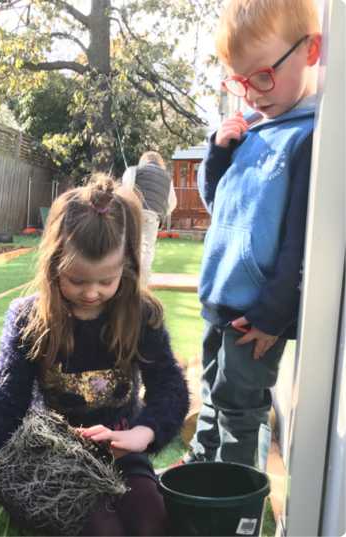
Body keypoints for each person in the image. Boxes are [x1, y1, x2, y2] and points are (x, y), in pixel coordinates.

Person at [0, 175, 189, 535]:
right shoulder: (29, 319)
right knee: (103, 532)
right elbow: (7, 400)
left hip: (122, 453)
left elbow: (169, 385)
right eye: (77, 280)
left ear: (127, 265)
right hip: (56, 461)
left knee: (151, 521)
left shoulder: (141, 315)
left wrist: (144, 432)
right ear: (54, 264)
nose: (91, 293)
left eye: (106, 281)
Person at [186, 0, 322, 467]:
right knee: (210, 397)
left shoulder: (307, 139)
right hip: (219, 301)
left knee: (240, 411)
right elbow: (216, 204)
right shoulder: (255, 130)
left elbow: (298, 243)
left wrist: (272, 315)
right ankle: (200, 476)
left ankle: (234, 501)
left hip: (256, 316)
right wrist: (220, 154)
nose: (252, 94)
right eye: (240, 82)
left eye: (262, 76)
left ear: (311, 51)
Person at [124, 151, 177, 286]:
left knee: (128, 246)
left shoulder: (134, 170)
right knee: (146, 250)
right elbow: (172, 202)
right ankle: (142, 285)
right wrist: (162, 214)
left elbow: (126, 190)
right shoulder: (167, 178)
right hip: (153, 217)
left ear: (144, 160)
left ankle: (126, 279)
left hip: (134, 213)